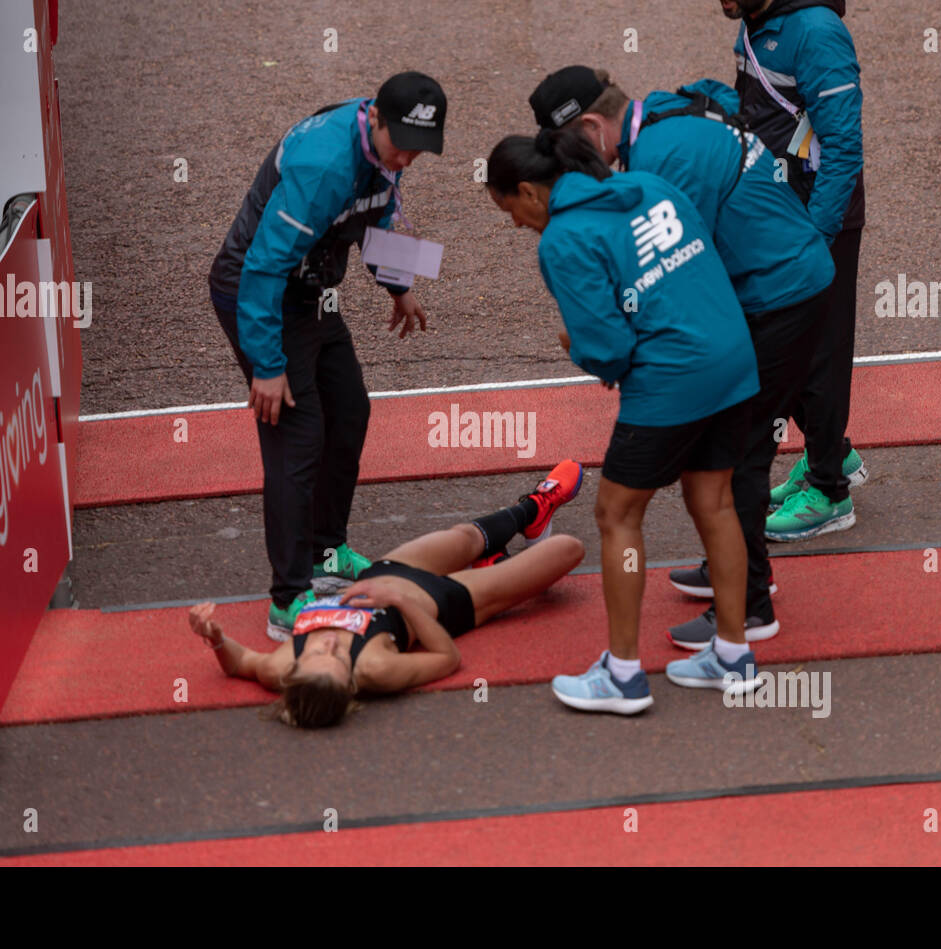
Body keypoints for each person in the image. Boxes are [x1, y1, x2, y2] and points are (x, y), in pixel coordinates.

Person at [528, 65, 835, 649]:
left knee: (739, 455)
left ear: (592, 127)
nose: (567, 167)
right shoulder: (668, 121)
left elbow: (677, 273)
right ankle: (734, 567)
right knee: (729, 453)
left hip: (778, 294)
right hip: (785, 280)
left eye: (565, 150)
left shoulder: (659, 160)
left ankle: (749, 604)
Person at [486, 128, 765, 714]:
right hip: (733, 357)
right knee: (714, 502)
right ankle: (734, 655)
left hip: (672, 379)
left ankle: (622, 675)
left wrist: (574, 343)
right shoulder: (647, 183)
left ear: (532, 193)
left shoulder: (562, 239)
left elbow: (608, 348)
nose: (514, 224)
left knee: (616, 513)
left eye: (509, 209)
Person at [207, 72, 446, 641]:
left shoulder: (384, 152)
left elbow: (377, 218)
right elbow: (262, 267)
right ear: (376, 119)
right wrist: (267, 364)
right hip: (258, 293)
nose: (408, 159)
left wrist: (398, 286)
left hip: (310, 288)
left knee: (349, 411)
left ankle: (325, 555)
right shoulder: (323, 166)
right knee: (298, 433)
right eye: (402, 146)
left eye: (421, 150)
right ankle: (287, 601)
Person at [187, 461, 585, 728]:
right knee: (569, 548)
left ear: (293, 671)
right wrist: (398, 602)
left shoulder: (279, 669)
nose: (326, 644)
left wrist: (216, 637)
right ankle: (499, 565)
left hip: (389, 571)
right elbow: (448, 658)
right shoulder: (376, 669)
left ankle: (533, 509)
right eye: (338, 657)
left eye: (314, 654)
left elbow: (241, 663)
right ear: (351, 681)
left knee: (464, 537)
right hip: (444, 601)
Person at [718, 0, 868, 541]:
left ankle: (829, 492)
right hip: (781, 219)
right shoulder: (755, 19)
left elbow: (845, 150)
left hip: (816, 227)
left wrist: (814, 241)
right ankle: (831, 455)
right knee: (790, 349)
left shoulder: (817, 33)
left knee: (818, 360)